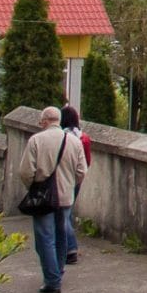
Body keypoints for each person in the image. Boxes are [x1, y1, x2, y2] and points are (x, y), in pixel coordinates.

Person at [16, 106, 87, 293]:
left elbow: (25, 172)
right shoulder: (74, 141)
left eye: (41, 121)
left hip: (43, 197)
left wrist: (34, 186)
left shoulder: (36, 140)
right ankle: (58, 271)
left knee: (45, 238)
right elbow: (82, 171)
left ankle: (52, 280)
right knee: (61, 234)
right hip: (65, 195)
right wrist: (70, 184)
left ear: (46, 120)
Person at [58, 105, 91, 265]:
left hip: (63, 178)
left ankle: (70, 248)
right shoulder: (83, 138)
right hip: (77, 177)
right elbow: (87, 162)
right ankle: (68, 246)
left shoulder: (61, 137)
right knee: (68, 212)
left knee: (63, 213)